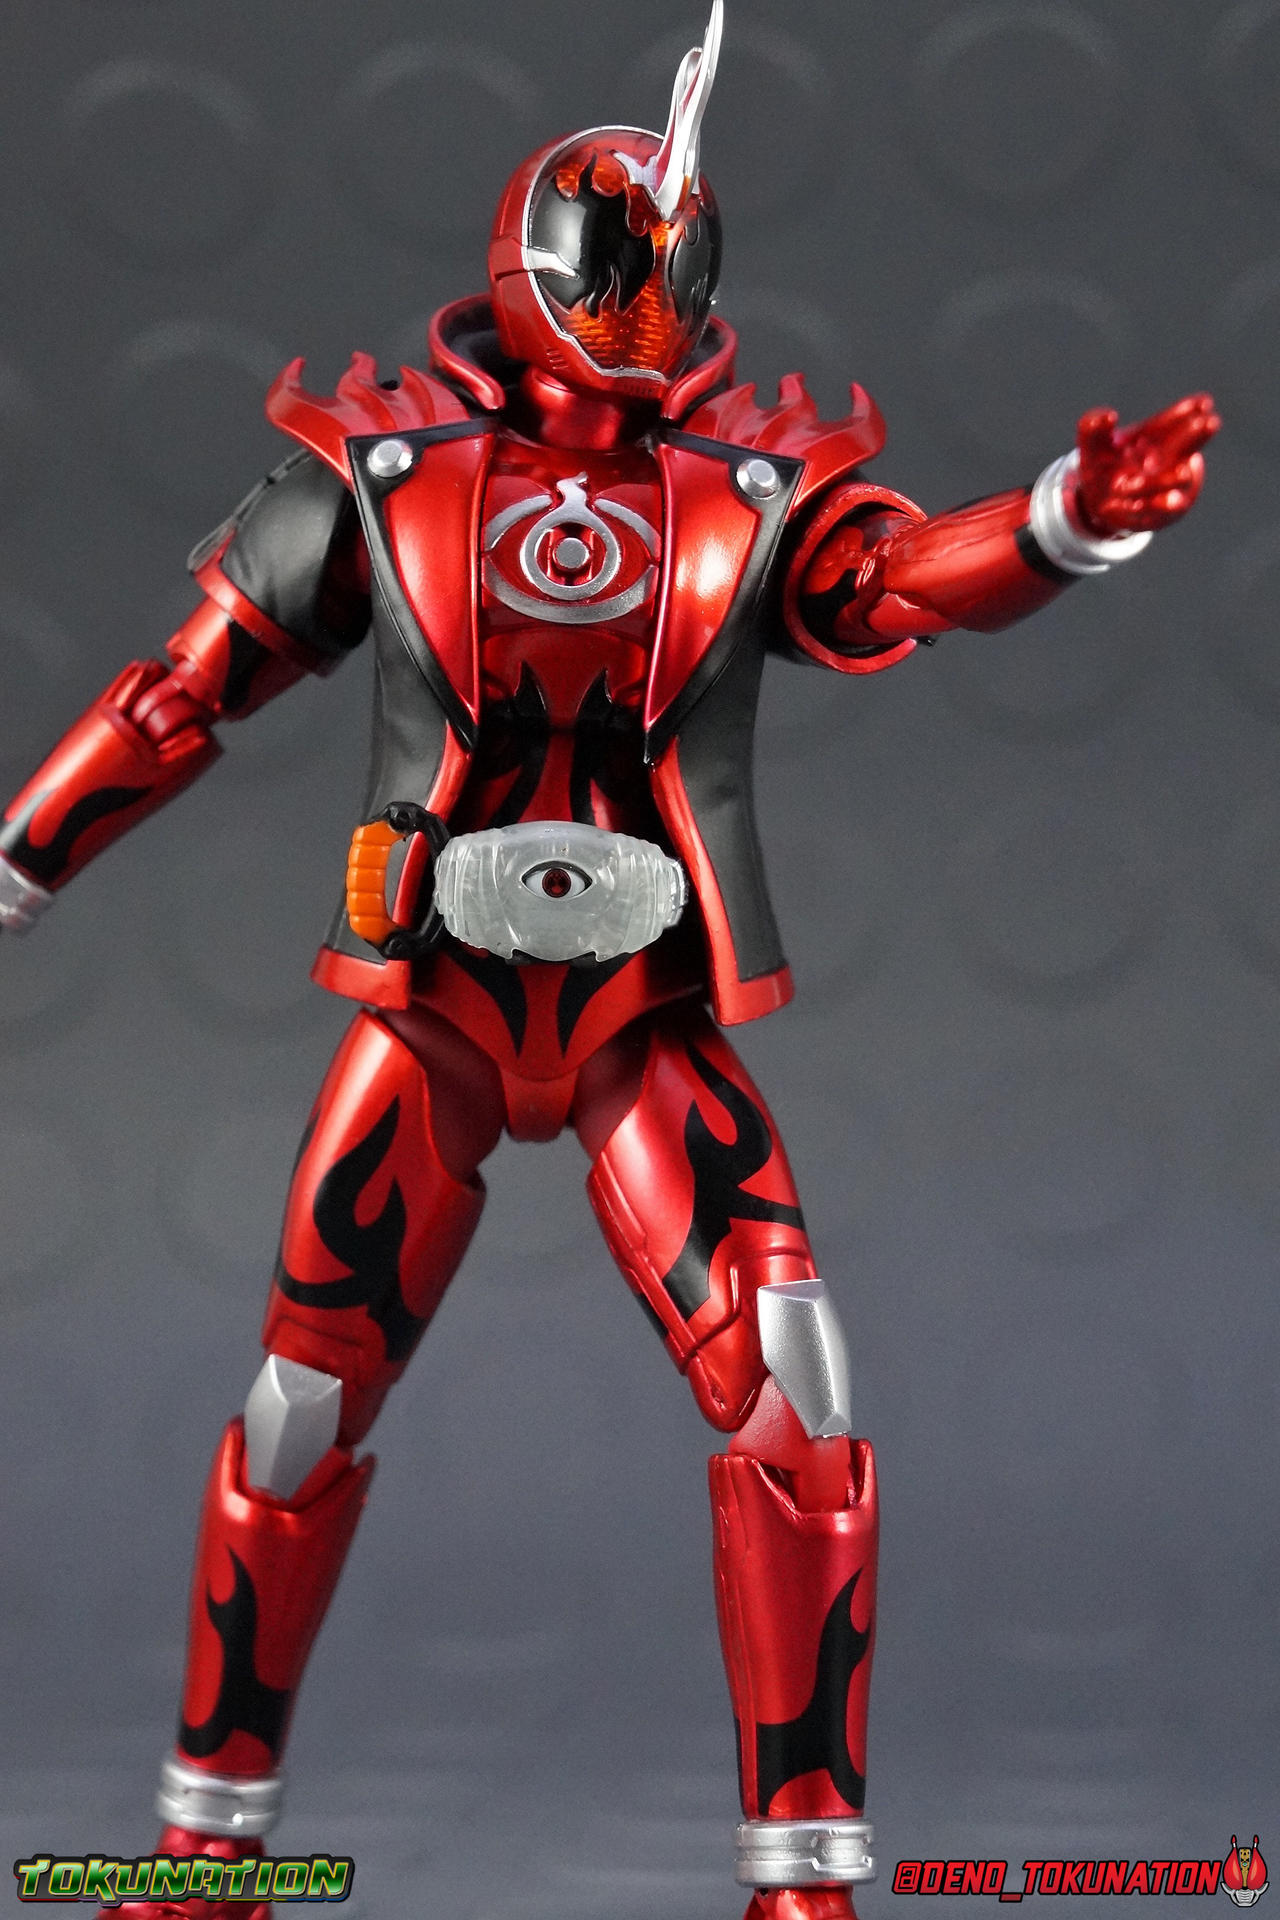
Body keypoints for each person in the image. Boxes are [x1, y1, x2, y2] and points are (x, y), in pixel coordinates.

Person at [0, 6, 1217, 1916]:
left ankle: (805, 1880)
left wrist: (1064, 526)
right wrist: (18, 861)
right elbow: (185, 691)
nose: (641, 311)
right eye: (611, 271)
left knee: (796, 1397)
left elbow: (903, 579)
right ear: (532, 267)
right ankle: (202, 1856)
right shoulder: (385, 475)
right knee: (300, 1413)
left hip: (644, 1018)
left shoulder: (746, 498)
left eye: (669, 273)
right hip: (433, 1008)